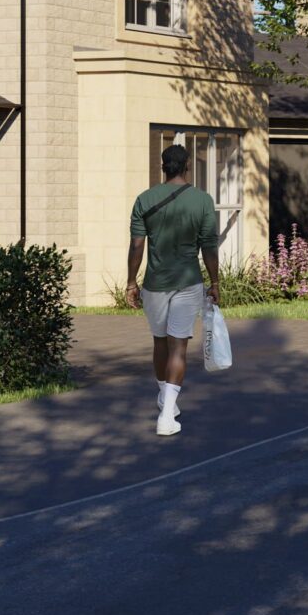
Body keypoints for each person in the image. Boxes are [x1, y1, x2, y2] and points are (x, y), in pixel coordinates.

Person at [127, 143, 221, 436]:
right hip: (188, 282)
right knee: (178, 346)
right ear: (187, 166)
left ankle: (164, 398)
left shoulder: (144, 199)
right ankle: (167, 415)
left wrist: (131, 282)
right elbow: (209, 247)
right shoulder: (202, 200)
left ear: (162, 166)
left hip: (155, 284)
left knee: (159, 342)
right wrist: (215, 282)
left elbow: (137, 246)